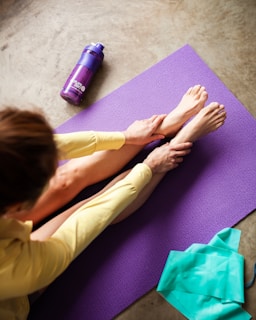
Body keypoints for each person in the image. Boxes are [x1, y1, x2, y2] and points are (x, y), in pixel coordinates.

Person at [0, 85, 226, 320]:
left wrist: (126, 137)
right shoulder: (21, 269)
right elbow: (91, 218)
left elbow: (34, 148)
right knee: (88, 205)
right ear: (16, 206)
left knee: (63, 180)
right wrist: (148, 167)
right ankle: (177, 143)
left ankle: (163, 128)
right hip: (13, 295)